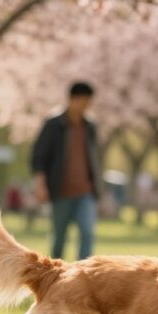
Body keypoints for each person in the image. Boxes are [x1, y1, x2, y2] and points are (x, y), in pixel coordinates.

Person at [31, 82, 101, 260]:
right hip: (60, 191)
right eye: (84, 101)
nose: (87, 106)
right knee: (59, 237)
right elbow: (39, 156)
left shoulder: (90, 126)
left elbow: (94, 158)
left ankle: (83, 272)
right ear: (73, 99)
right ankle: (56, 274)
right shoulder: (53, 124)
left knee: (87, 232)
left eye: (89, 102)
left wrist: (97, 187)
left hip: (85, 191)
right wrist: (40, 185)